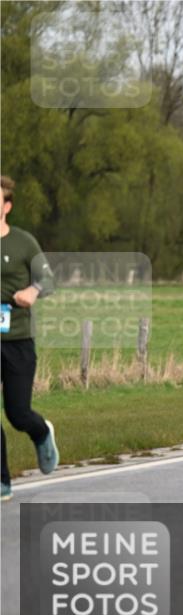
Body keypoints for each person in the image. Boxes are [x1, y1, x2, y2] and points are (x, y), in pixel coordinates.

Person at [1, 175, 59, 502]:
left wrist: (32, 292)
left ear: (6, 206)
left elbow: (48, 280)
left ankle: (41, 433)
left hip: (18, 339)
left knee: (17, 413)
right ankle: (1, 481)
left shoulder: (24, 243)